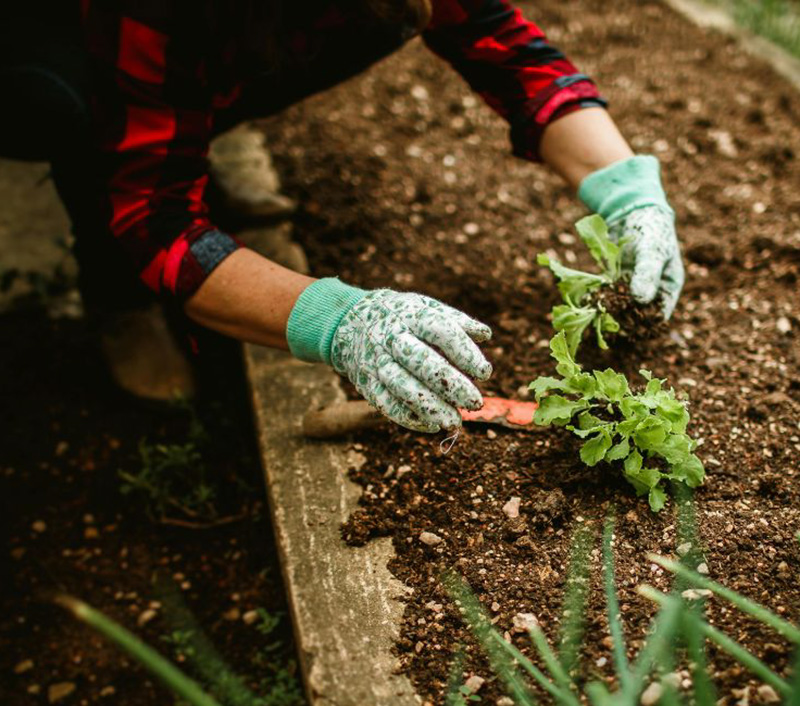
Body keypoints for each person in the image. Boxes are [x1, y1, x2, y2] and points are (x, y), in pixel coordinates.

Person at [1, 0, 684, 432]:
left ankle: (188, 141)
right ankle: (117, 294)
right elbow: (154, 221)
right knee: (67, 112)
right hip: (51, 42)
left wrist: (628, 191)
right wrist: (336, 318)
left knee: (375, 20)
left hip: (216, 35)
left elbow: (509, 53)